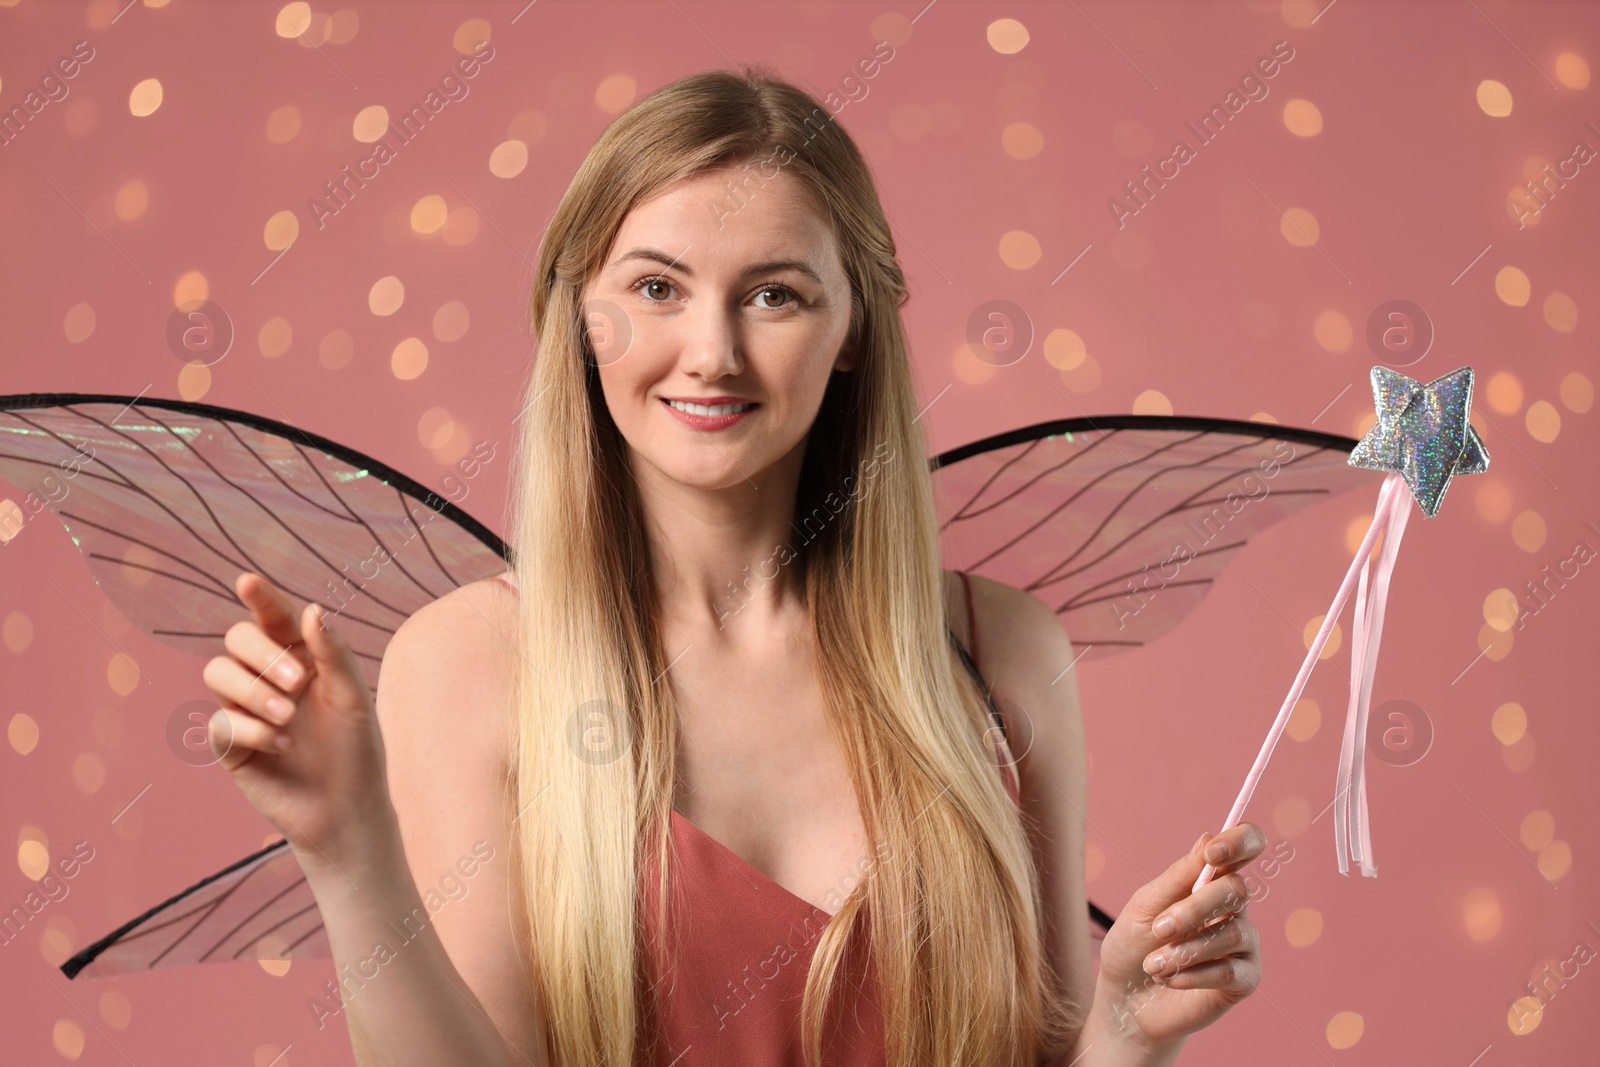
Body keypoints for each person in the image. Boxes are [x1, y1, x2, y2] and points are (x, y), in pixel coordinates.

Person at [200, 66, 1263, 1067]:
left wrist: (1127, 1030)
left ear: (853, 326)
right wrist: (347, 850)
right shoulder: (469, 661)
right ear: (581, 317)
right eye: (657, 287)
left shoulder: (1001, 653)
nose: (711, 350)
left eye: (775, 295)